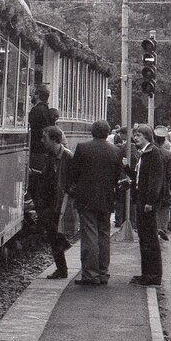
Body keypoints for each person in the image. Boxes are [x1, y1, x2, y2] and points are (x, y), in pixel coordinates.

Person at [68, 120, 122, 286]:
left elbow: (73, 173)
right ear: (108, 132)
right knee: (104, 234)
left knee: (90, 234)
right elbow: (117, 175)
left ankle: (90, 274)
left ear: (92, 131)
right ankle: (103, 272)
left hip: (86, 198)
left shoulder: (83, 148)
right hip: (106, 198)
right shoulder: (115, 150)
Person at [129, 124, 166, 286]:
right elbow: (141, 177)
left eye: (138, 135)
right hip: (142, 200)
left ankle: (153, 275)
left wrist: (150, 201)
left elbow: (155, 180)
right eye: (135, 135)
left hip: (147, 203)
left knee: (149, 238)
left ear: (147, 137)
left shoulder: (153, 153)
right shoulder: (145, 153)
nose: (135, 138)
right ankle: (147, 273)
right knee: (144, 238)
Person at [40, 125, 73, 279]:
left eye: (45, 138)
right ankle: (62, 267)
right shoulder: (50, 156)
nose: (42, 141)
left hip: (60, 201)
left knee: (55, 234)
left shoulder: (67, 157)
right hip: (51, 201)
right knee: (53, 234)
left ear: (54, 139)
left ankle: (62, 269)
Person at [27, 86, 52, 218]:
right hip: (44, 153)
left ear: (37, 95)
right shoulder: (47, 111)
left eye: (32, 94)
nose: (31, 96)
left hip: (35, 153)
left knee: (34, 185)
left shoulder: (36, 111)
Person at [155, 126, 171, 240]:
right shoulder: (167, 154)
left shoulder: (148, 151)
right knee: (164, 206)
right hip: (163, 186)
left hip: (150, 186)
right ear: (164, 140)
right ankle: (161, 227)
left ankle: (154, 227)